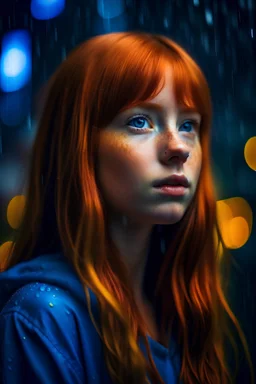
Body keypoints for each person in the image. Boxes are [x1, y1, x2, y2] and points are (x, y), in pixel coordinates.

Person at [0, 31, 253, 384]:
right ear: (79, 146)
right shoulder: (42, 318)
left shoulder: (177, 306)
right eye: (140, 121)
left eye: (188, 125)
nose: (178, 147)